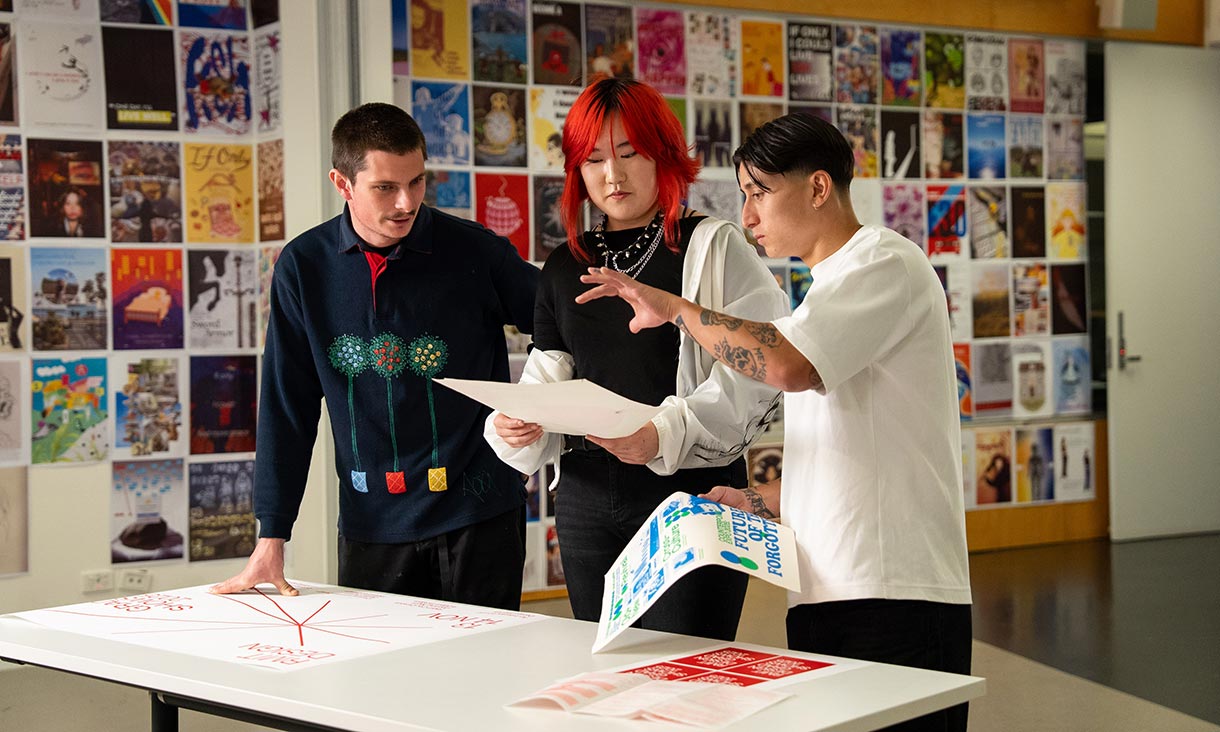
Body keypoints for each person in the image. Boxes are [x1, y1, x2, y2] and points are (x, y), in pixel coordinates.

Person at [577, 112, 972, 731]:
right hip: (829, 588)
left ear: (818, 188)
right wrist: (759, 504)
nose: (748, 215)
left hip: (895, 595)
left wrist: (677, 307)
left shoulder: (883, 263)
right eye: (742, 196)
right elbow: (851, 457)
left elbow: (784, 366)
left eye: (759, 192)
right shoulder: (827, 292)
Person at [485, 78, 788, 640]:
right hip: (585, 501)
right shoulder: (563, 265)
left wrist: (662, 433)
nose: (613, 175)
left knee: (686, 672)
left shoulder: (713, 246)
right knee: (606, 668)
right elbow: (549, 373)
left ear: (663, 155)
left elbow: (761, 367)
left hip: (692, 494)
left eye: (629, 154)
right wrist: (518, 420)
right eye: (594, 159)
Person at [213, 103, 540, 610]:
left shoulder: (474, 251)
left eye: (416, 182)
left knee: (484, 680)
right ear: (342, 184)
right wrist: (271, 535)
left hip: (479, 513)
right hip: (372, 522)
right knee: (379, 680)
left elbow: (561, 324)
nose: (406, 202)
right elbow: (286, 405)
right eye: (385, 187)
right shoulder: (304, 267)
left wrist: (535, 401)